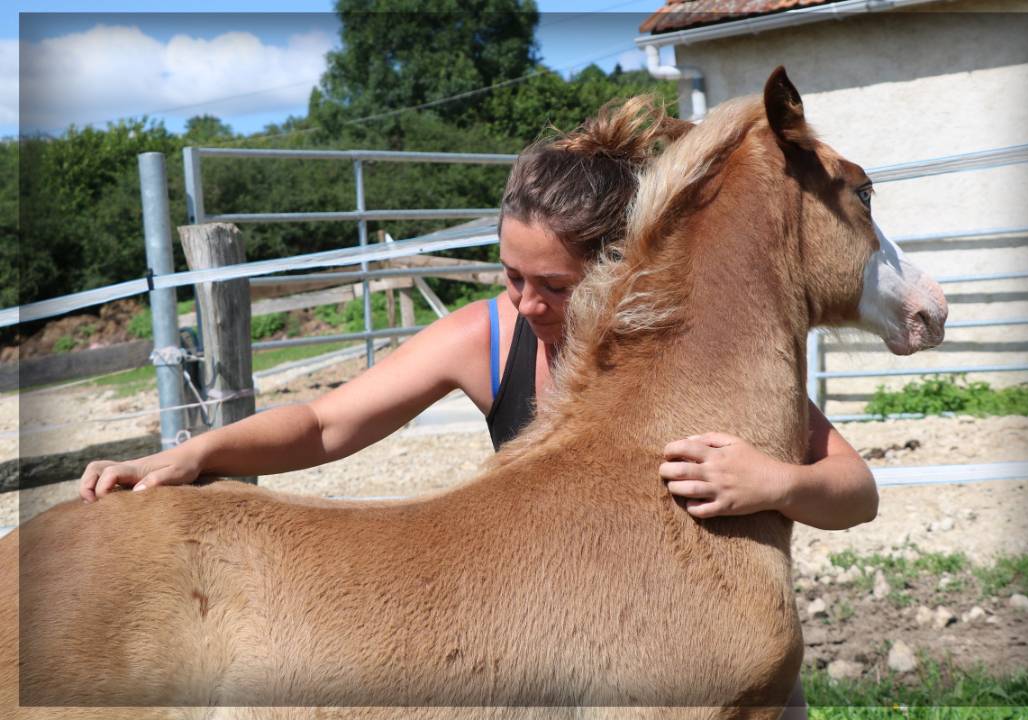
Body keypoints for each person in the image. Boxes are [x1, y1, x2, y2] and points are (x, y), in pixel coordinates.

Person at [79, 96, 877, 715]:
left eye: (555, 287)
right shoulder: (489, 338)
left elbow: (858, 491)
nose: (526, 304)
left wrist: (778, 484)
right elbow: (327, 423)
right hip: (552, 635)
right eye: (510, 276)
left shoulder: (687, 362)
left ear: (619, 269)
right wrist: (195, 454)